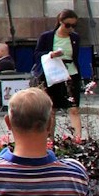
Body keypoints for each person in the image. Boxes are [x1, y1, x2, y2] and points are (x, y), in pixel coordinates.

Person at [32, 8, 85, 141]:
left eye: (74, 25)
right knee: (52, 109)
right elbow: (37, 54)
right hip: (53, 74)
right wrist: (51, 55)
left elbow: (75, 56)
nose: (70, 28)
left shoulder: (75, 38)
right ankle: (50, 139)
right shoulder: (47, 37)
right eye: (68, 25)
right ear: (60, 22)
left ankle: (78, 138)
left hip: (70, 74)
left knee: (74, 108)